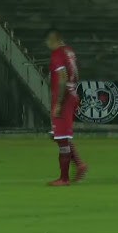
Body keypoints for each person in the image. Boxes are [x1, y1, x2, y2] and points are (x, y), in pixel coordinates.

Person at [44, 28, 87, 186]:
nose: (48, 45)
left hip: (64, 97)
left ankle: (64, 178)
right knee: (59, 136)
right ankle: (80, 164)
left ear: (53, 40)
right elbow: (75, 73)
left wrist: (60, 103)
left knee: (61, 139)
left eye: (48, 42)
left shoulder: (57, 54)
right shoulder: (69, 51)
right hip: (72, 94)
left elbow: (62, 78)